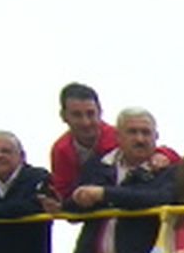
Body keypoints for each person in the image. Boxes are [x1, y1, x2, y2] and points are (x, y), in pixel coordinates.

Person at [66, 107, 179, 253]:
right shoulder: (98, 164)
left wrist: (104, 195)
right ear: (118, 136)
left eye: (146, 132)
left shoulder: (169, 171)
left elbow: (157, 198)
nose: (140, 139)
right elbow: (71, 210)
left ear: (156, 137)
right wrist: (80, 199)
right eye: (132, 132)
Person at [48, 81, 177, 200]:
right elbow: (63, 193)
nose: (85, 122)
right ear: (64, 116)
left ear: (100, 113)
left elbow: (174, 160)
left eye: (90, 114)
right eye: (77, 115)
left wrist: (162, 154)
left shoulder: (118, 136)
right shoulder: (61, 150)